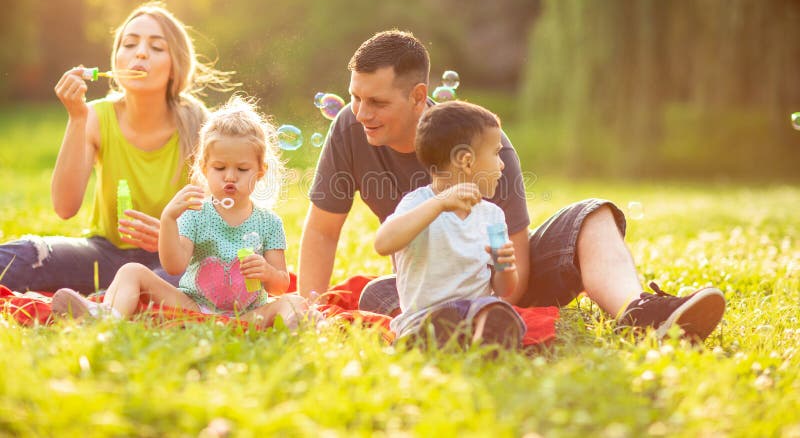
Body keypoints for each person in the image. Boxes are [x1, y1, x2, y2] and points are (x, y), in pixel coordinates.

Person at [298, 29, 726, 341]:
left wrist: (488, 278)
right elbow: (321, 229)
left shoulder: (482, 145)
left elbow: (516, 281)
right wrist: (312, 307)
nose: (360, 112)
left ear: (417, 96)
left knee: (594, 212)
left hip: (498, 274)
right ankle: (438, 314)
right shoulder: (349, 130)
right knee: (383, 292)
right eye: (355, 97)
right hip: (432, 275)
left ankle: (639, 311)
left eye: (376, 102)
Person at [0, 2, 234, 294]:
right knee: (25, 255)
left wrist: (174, 237)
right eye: (130, 43)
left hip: (175, 259)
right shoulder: (96, 116)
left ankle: (110, 301)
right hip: (104, 255)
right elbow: (64, 207)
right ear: (116, 59)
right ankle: (116, 298)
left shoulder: (199, 123)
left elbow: (224, 215)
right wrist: (76, 119)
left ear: (175, 66)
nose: (140, 53)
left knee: (205, 275)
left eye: (157, 47)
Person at [51, 96, 308, 328]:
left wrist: (266, 271)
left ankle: (298, 323)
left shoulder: (268, 222)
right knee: (132, 270)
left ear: (260, 171)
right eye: (220, 168)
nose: (230, 177)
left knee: (293, 302)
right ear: (205, 168)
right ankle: (107, 317)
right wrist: (168, 218)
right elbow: (174, 267)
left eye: (242, 170)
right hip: (194, 309)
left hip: (250, 314)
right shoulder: (195, 214)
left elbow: (280, 284)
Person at [375, 101, 526, 349]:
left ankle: (486, 340)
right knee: (431, 322)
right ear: (466, 161)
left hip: (476, 309)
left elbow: (504, 288)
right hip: (424, 315)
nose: (502, 164)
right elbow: (382, 243)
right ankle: (441, 336)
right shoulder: (418, 204)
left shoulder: (492, 215)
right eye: (496, 153)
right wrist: (439, 204)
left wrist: (506, 268)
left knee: (493, 309)